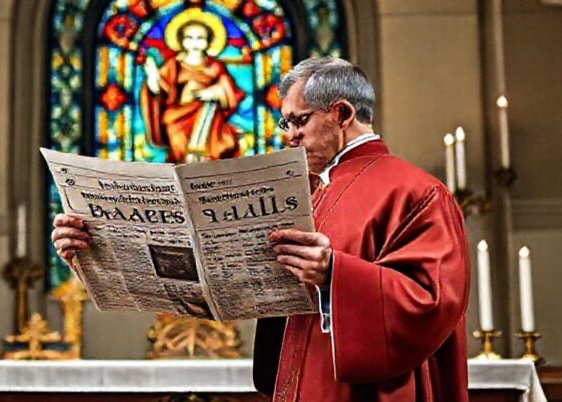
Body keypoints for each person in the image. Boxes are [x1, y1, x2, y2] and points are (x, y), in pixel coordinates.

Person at [52, 56, 470, 401]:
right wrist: (95, 251)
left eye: (298, 121)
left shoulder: (415, 192)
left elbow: (434, 303)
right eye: (285, 124)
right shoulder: (305, 191)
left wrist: (334, 274)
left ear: (341, 113)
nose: (290, 136)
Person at [141, 9, 244, 163]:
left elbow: (230, 91)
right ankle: (182, 165)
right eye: (189, 37)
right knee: (170, 123)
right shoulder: (173, 65)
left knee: (221, 140)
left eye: (200, 38)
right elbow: (161, 92)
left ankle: (205, 167)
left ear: (209, 41)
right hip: (178, 113)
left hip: (208, 112)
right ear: (181, 40)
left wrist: (215, 92)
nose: (194, 42)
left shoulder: (215, 66)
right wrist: (153, 81)